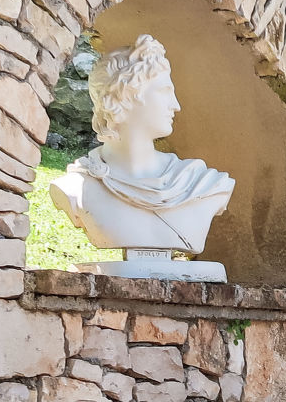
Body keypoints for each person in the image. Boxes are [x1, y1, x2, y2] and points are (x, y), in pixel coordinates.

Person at [50, 34, 235, 270]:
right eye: (165, 91)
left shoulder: (204, 184)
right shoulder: (75, 188)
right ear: (125, 95)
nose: (176, 105)